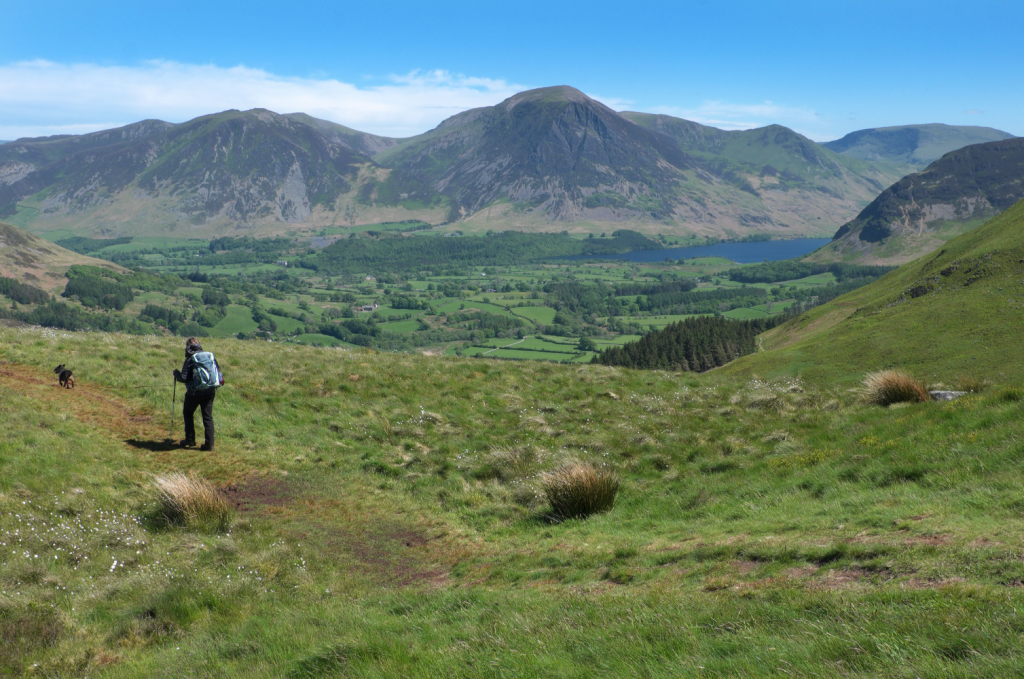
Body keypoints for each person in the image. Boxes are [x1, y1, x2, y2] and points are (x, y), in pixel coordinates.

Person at [173, 337, 221, 451]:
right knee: (207, 417)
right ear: (199, 345)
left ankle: (190, 440)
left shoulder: (190, 359)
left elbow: (184, 378)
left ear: (187, 347)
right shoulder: (209, 356)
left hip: (194, 393)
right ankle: (209, 445)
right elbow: (218, 373)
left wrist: (176, 373)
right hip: (210, 391)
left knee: (188, 413)